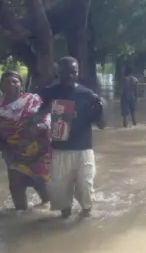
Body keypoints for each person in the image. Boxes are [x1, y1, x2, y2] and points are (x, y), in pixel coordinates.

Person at [35, 57, 105, 218]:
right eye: (66, 72)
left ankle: (85, 217)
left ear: (78, 73)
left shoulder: (87, 94)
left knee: (86, 188)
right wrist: (36, 122)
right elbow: (39, 113)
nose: (70, 75)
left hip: (84, 149)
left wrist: (101, 107)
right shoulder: (49, 92)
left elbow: (101, 123)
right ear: (58, 72)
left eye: (74, 72)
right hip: (60, 150)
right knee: (60, 192)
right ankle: (64, 219)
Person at [0, 70, 51, 210]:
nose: (11, 84)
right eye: (7, 82)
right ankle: (20, 221)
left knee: (47, 196)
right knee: (17, 193)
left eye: (15, 81)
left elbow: (48, 117)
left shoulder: (34, 100)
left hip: (38, 154)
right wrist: (4, 147)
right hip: (14, 155)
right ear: (1, 87)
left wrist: (40, 127)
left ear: (21, 86)